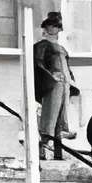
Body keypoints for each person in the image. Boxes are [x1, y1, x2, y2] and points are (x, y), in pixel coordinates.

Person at [33, 11, 78, 163]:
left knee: (61, 117)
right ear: (47, 28)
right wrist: (50, 76)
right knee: (49, 117)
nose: (55, 29)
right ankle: (42, 150)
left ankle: (58, 151)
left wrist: (71, 81)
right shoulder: (42, 46)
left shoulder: (63, 49)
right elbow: (38, 64)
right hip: (53, 84)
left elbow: (68, 67)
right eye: (52, 26)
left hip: (64, 84)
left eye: (57, 26)